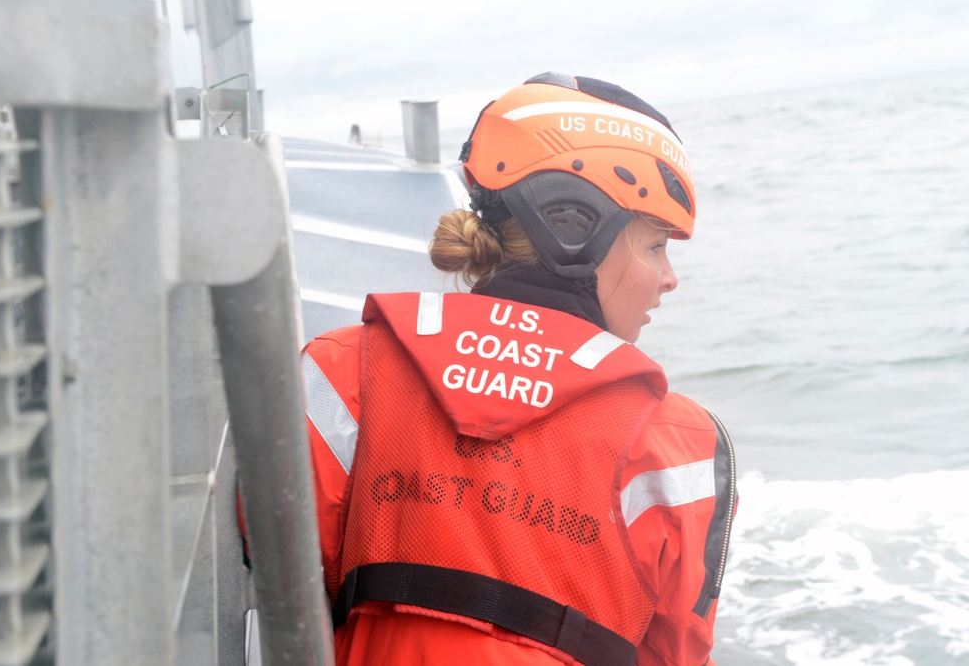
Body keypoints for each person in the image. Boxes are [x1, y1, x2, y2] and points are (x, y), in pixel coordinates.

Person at [302, 72, 736, 666]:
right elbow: (676, 652)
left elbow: (287, 575)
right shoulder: (679, 444)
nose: (669, 278)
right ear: (576, 231)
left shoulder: (342, 369)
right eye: (656, 245)